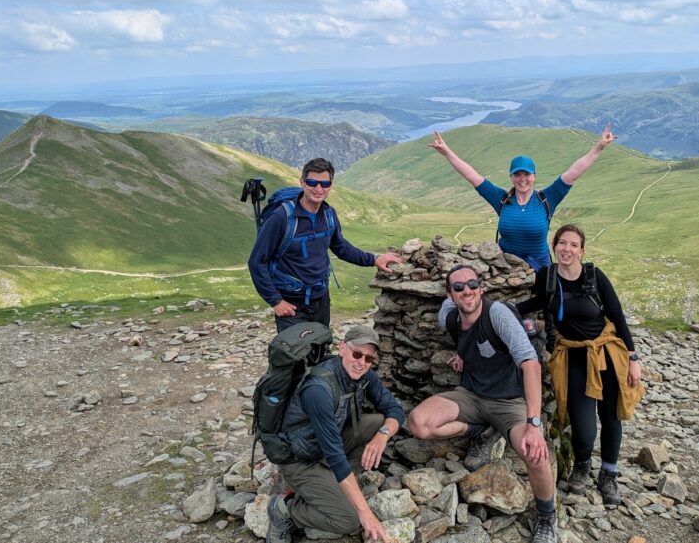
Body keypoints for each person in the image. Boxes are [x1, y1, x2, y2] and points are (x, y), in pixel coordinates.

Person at [407, 265, 558, 543]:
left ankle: (547, 515)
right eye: (459, 287)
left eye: (473, 284)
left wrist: (534, 424)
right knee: (419, 423)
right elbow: (450, 315)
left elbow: (530, 363)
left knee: (536, 453)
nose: (467, 291)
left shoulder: (497, 314)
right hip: (472, 395)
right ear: (450, 294)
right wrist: (460, 353)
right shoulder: (449, 317)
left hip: (509, 401)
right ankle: (480, 430)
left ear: (482, 287)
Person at [516, 224, 643, 506]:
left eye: (574, 245)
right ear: (555, 246)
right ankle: (582, 465)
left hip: (607, 354)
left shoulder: (595, 277)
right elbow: (539, 301)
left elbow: (618, 317)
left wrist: (633, 359)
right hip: (573, 358)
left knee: (611, 417)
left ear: (582, 251)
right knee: (584, 427)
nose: (567, 249)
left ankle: (608, 475)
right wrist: (503, 310)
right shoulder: (547, 276)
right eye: (562, 243)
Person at [266, 325, 404, 543]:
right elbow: (336, 456)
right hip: (300, 459)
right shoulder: (318, 390)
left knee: (378, 423)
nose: (362, 363)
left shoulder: (364, 376)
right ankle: (285, 509)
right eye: (357, 354)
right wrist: (365, 513)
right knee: (348, 520)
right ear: (342, 348)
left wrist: (383, 435)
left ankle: (335, 487)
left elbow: (395, 410)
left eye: (369, 359)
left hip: (326, 447)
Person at [429, 125, 615, 270]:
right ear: (511, 177)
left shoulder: (547, 198)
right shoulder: (501, 199)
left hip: (540, 268)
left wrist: (599, 147)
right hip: (505, 267)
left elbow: (574, 172)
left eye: (527, 174)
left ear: (534, 176)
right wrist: (447, 152)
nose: (522, 179)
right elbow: (471, 176)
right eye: (517, 175)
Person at [248, 157, 401, 332]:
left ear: (330, 185)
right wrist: (275, 301)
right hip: (291, 302)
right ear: (302, 183)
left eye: (324, 184)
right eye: (312, 182)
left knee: (320, 350)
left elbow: (341, 247)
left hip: (320, 298)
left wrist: (374, 259)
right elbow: (257, 261)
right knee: (293, 354)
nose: (318, 189)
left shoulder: (328, 214)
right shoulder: (281, 217)